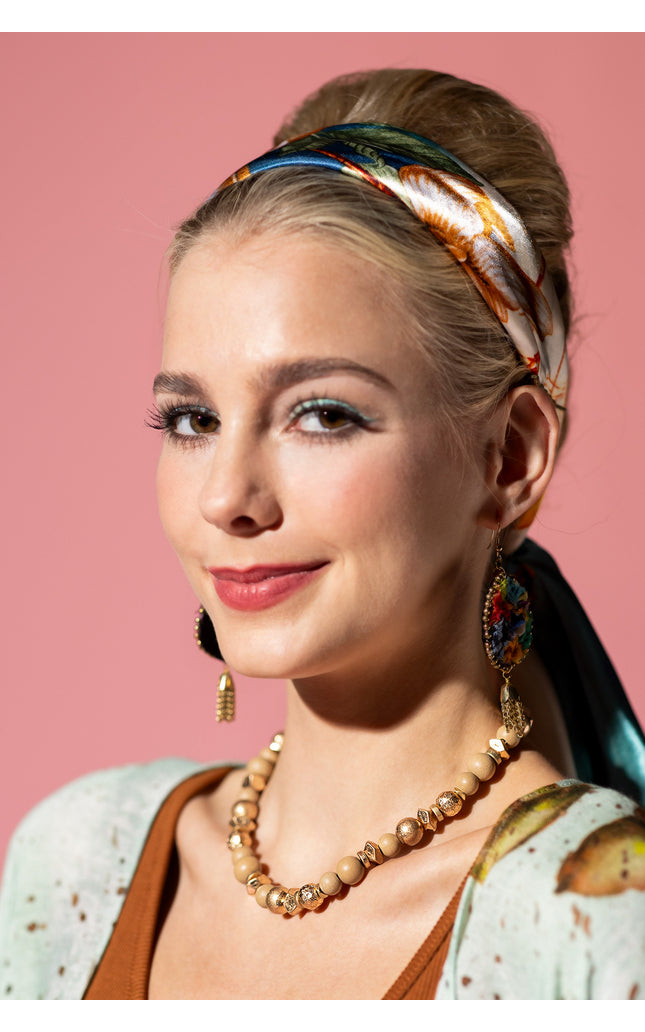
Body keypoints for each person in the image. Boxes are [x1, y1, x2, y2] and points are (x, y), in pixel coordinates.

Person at [2, 68, 645, 1001]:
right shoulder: (74, 871)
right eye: (192, 420)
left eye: (323, 415)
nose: (228, 497)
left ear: (508, 457)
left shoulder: (593, 916)